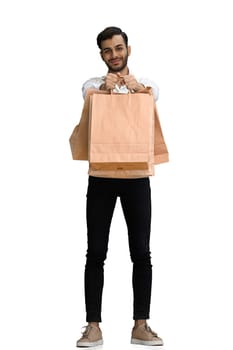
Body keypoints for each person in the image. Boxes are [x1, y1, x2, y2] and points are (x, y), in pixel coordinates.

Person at [76, 26, 164, 347]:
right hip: (101, 176)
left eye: (118, 48)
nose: (114, 55)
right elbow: (86, 93)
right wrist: (103, 86)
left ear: (129, 49)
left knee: (141, 252)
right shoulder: (91, 85)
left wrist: (135, 87)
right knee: (96, 252)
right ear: (101, 55)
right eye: (107, 51)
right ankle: (93, 326)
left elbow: (152, 95)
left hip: (137, 177)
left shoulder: (148, 86)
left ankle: (141, 325)